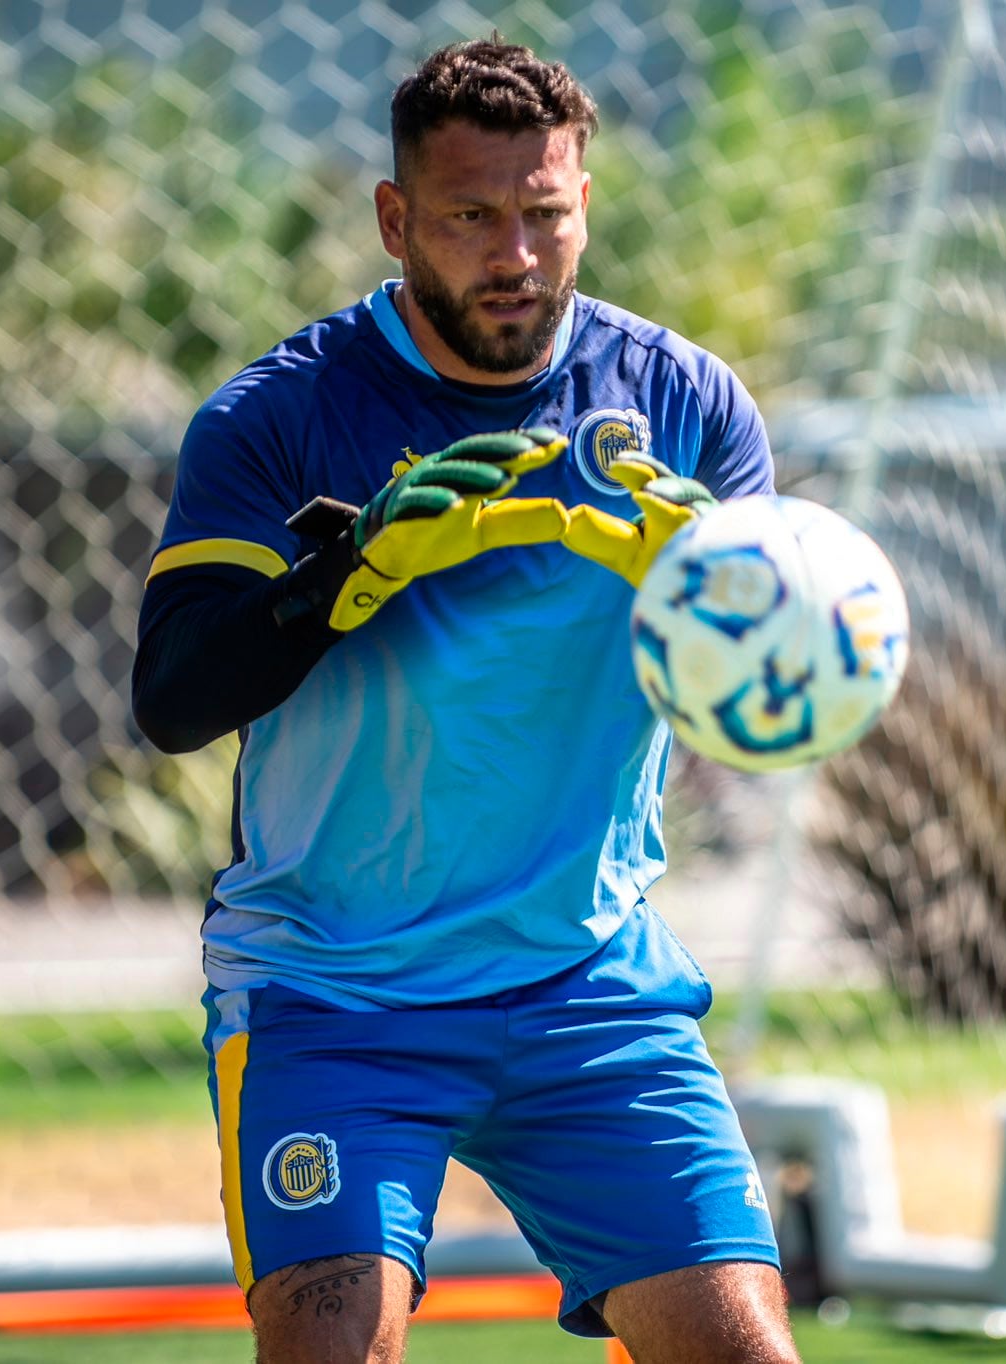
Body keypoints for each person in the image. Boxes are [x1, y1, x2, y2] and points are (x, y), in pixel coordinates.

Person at [132, 37, 797, 1364]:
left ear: (586, 205)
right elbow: (173, 696)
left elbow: (762, 705)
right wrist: (349, 573)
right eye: (471, 216)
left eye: (546, 214)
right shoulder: (281, 417)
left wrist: (714, 594)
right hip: (334, 998)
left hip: (591, 984)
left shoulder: (685, 407)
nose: (517, 253)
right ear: (396, 220)